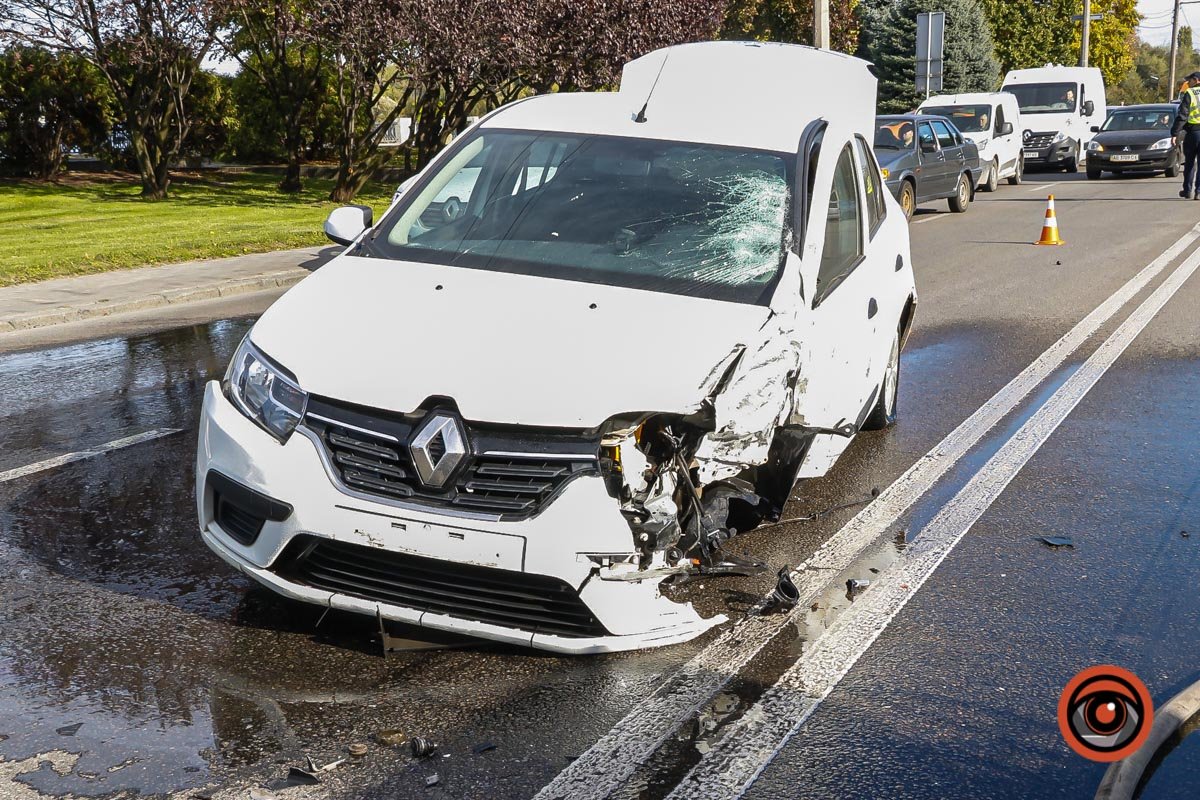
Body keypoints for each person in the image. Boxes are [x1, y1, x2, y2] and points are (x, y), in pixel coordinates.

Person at [1172, 72, 1200, 199]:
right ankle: (1199, 191)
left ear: (1196, 80)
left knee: (1189, 163)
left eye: (1189, 81)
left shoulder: (1190, 93)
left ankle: (1187, 190)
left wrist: (1175, 133)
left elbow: (1182, 115)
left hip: (1193, 133)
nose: (1188, 84)